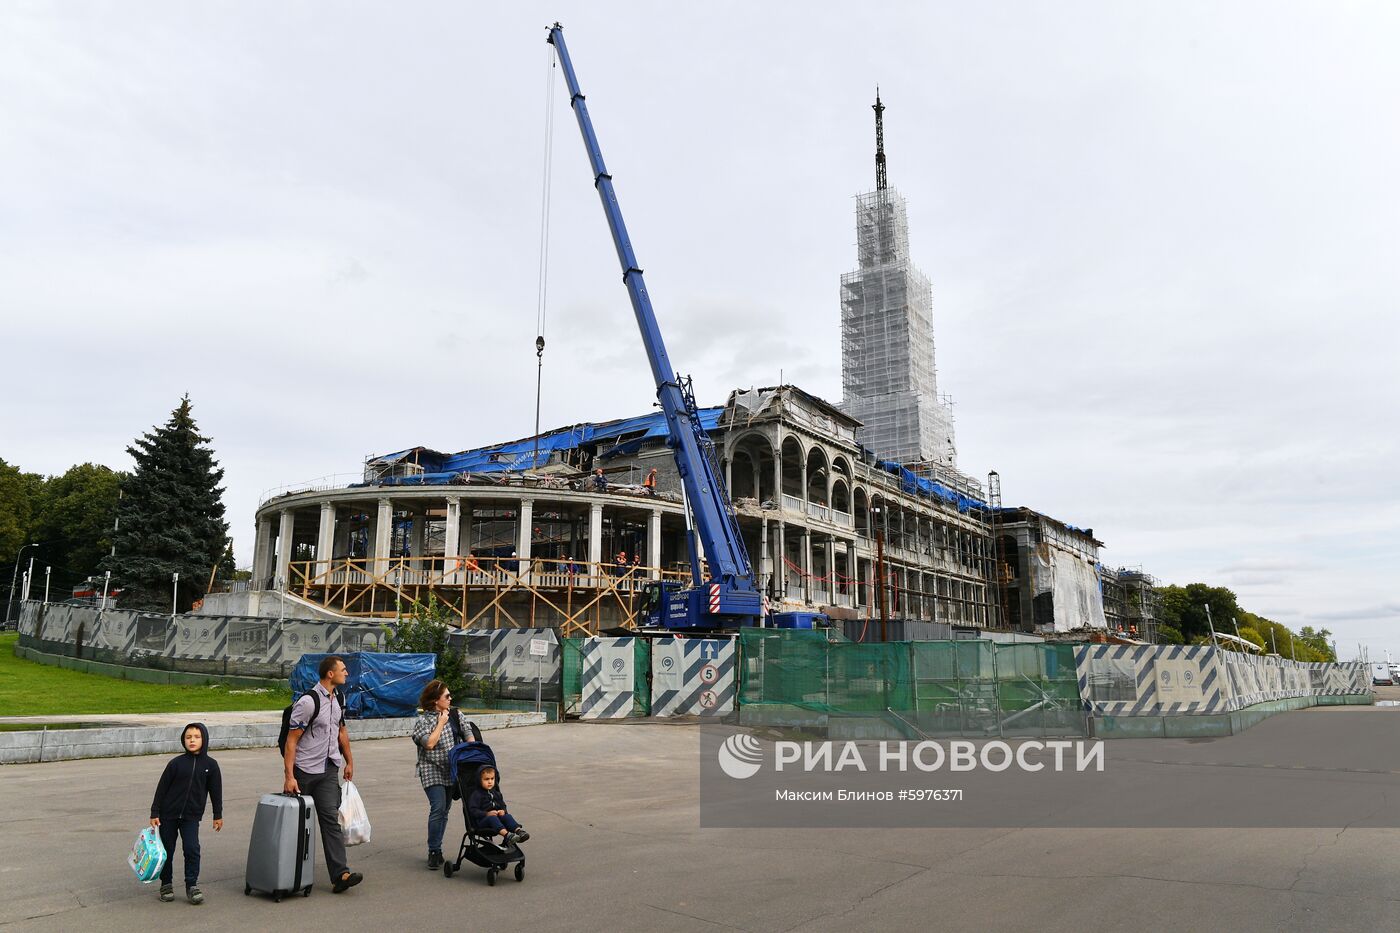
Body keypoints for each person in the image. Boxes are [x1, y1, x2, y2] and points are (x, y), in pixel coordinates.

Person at [283, 655, 363, 894]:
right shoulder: (308, 702)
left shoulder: (339, 698)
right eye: (343, 669)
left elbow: (341, 732)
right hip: (304, 770)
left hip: (329, 769)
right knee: (296, 826)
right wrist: (289, 776)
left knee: (331, 821)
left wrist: (349, 760)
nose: (346, 673)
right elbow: (291, 740)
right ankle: (287, 876)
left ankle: (341, 875)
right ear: (330, 674)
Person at [149, 722, 223, 905]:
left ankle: (192, 885)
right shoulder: (176, 763)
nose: (192, 740)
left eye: (197, 737)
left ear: (204, 739)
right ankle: (166, 884)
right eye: (188, 737)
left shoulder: (211, 766)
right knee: (167, 850)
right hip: (168, 815)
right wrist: (154, 812)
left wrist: (217, 815)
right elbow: (161, 788)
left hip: (191, 816)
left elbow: (216, 792)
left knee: (192, 849)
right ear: (183, 740)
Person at [412, 679, 462, 870]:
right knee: (438, 807)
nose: (450, 699)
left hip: (451, 769)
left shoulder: (456, 714)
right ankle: (433, 850)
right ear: (435, 701)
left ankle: (438, 848)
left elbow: (468, 734)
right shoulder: (422, 722)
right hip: (430, 769)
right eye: (447, 696)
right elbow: (430, 744)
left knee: (445, 811)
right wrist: (441, 722)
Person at [467, 766, 529, 846]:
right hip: (482, 821)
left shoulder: (496, 793)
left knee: (507, 816)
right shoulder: (476, 795)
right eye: (486, 779)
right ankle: (507, 836)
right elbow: (473, 810)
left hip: (497, 818)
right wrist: (486, 813)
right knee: (492, 818)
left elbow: (502, 804)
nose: (490, 782)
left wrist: (503, 810)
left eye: (492, 779)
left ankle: (519, 831)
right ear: (479, 780)